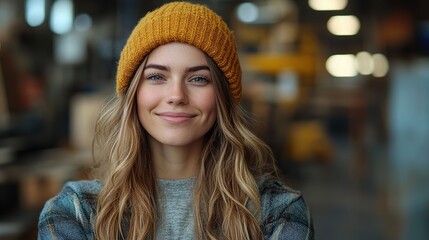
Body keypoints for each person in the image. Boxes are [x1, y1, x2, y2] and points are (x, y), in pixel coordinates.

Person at [38, 1, 314, 239]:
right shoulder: (74, 213)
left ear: (223, 97)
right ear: (134, 93)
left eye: (198, 79)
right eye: (157, 76)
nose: (176, 95)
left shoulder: (278, 212)